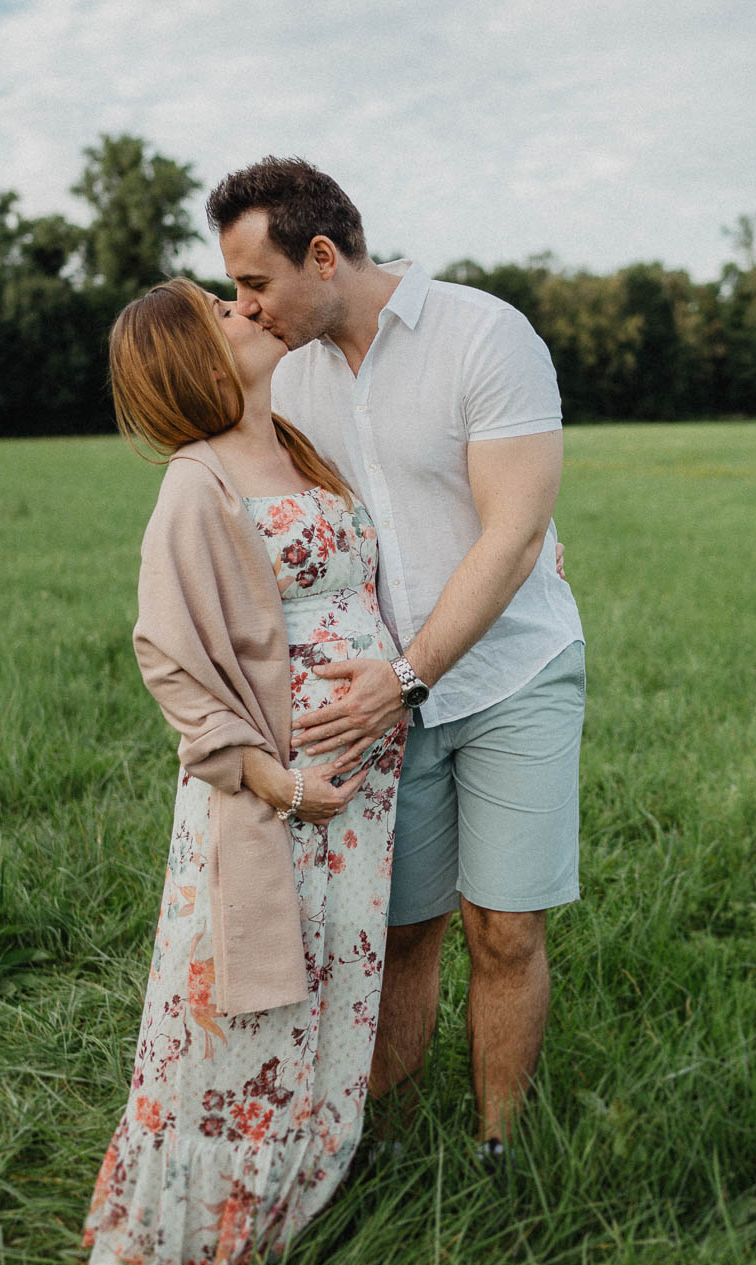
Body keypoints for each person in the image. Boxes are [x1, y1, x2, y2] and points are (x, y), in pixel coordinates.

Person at [208, 157, 586, 1168]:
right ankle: (373, 1143)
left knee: (503, 927)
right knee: (403, 930)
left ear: (322, 256)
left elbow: (511, 535)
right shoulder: (286, 374)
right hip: (378, 702)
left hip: (513, 674)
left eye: (255, 283)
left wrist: (408, 676)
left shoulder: (484, 334)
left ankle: (497, 1143)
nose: (244, 306)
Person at [80, 277, 408, 1265]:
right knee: (242, 1012)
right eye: (218, 313)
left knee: (332, 995)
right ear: (194, 359)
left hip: (359, 798)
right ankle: (191, 1242)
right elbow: (170, 660)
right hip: (278, 795)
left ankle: (290, 1211)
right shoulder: (198, 477)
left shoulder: (300, 445)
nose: (245, 310)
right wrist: (279, 780)